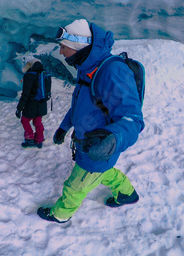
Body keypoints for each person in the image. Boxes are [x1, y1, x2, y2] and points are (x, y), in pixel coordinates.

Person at [37, 18, 145, 223]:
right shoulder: (88, 69)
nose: (61, 52)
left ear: (78, 47)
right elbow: (81, 105)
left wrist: (111, 140)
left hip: (98, 146)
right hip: (90, 143)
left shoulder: (112, 72)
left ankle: (61, 214)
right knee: (104, 172)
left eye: (63, 47)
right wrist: (64, 127)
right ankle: (127, 194)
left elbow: (133, 119)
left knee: (75, 186)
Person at [15, 59, 49, 148]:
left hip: (31, 104)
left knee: (24, 120)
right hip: (42, 103)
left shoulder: (29, 75)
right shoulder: (44, 74)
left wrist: (19, 108)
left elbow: (25, 94)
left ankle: (30, 139)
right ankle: (39, 140)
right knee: (38, 122)